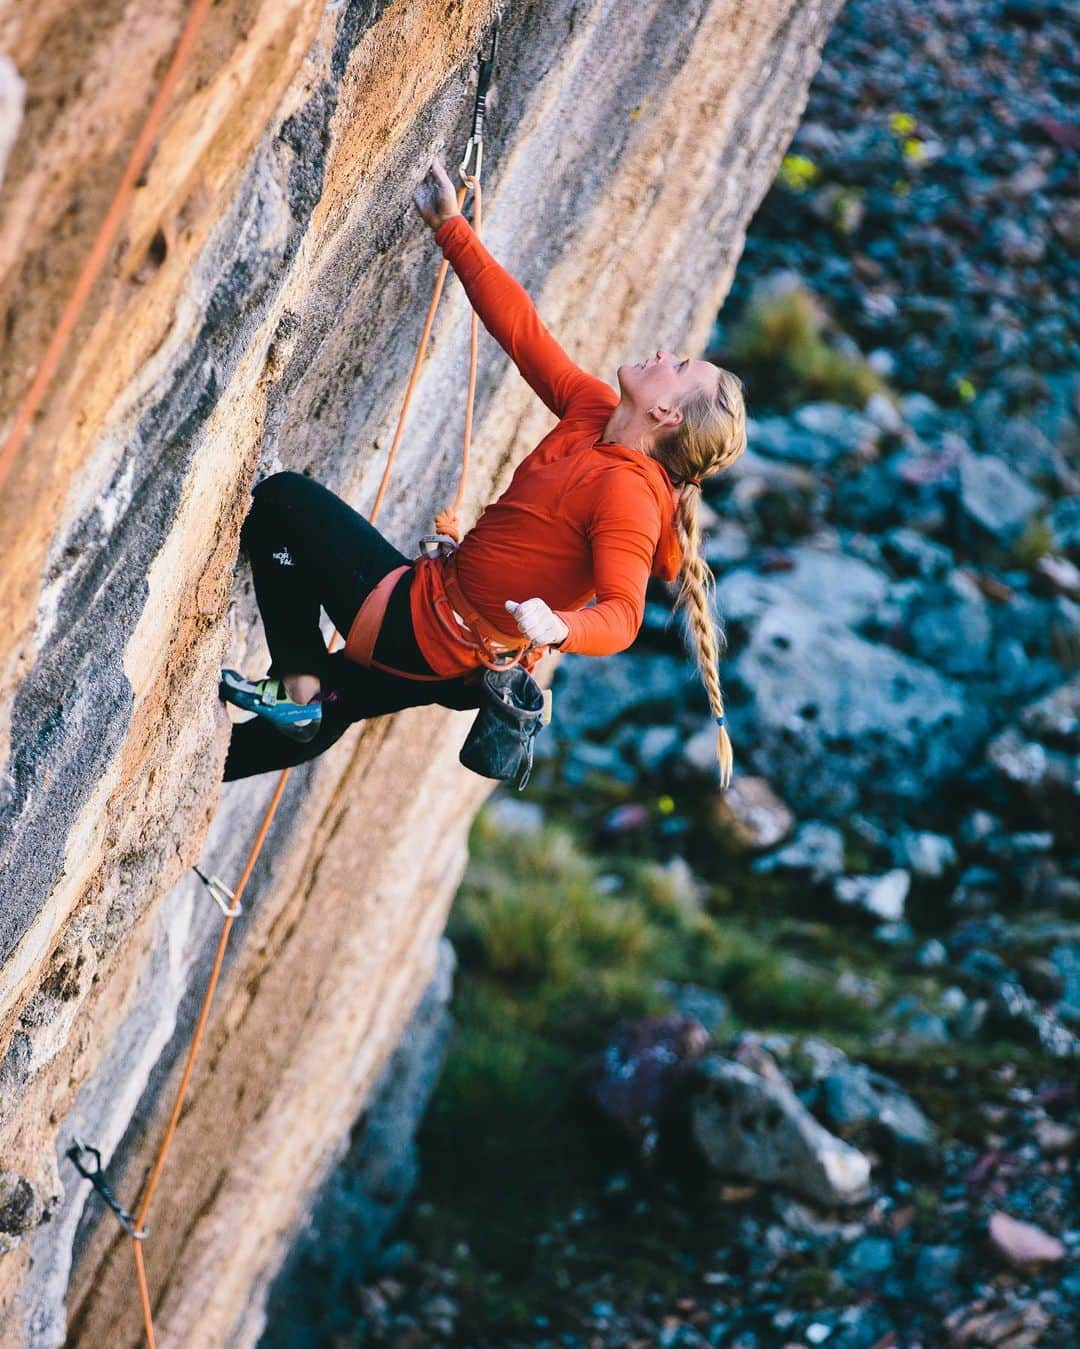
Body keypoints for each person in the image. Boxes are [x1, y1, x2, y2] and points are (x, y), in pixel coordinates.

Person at [220, 158, 747, 785]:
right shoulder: (595, 411)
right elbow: (523, 333)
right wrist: (451, 227)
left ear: (664, 413)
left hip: (426, 630)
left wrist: (561, 627)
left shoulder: (629, 495)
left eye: (680, 364)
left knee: (281, 503)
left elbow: (624, 615)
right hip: (454, 649)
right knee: (335, 704)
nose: (664, 353)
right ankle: (209, 774)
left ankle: (299, 678)